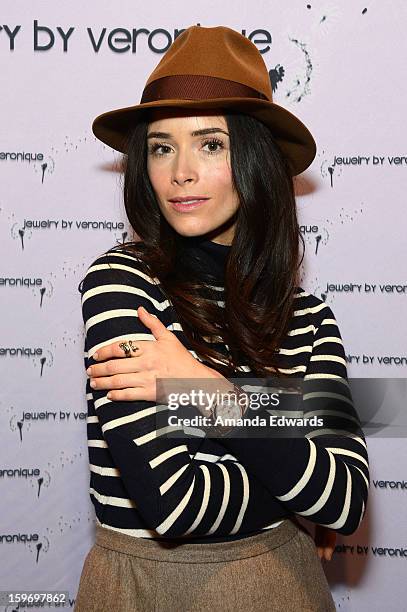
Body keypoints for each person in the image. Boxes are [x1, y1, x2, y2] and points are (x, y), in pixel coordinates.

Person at [74, 25, 369, 612]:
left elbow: (347, 501)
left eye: (211, 144)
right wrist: (292, 450)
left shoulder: (308, 315)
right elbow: (175, 503)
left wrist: (209, 393)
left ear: (256, 158)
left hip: (288, 591)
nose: (180, 171)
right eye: (161, 146)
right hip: (146, 593)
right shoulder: (121, 283)